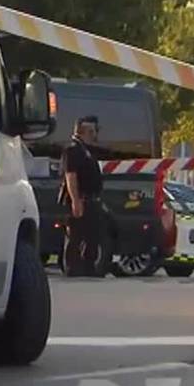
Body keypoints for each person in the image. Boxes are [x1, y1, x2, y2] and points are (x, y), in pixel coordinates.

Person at [60, 115, 107, 277]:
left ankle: (89, 268)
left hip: (92, 200)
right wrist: (75, 201)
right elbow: (70, 176)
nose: (95, 134)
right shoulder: (73, 150)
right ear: (82, 131)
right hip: (80, 199)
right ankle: (73, 268)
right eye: (92, 131)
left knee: (93, 236)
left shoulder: (88, 150)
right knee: (75, 236)